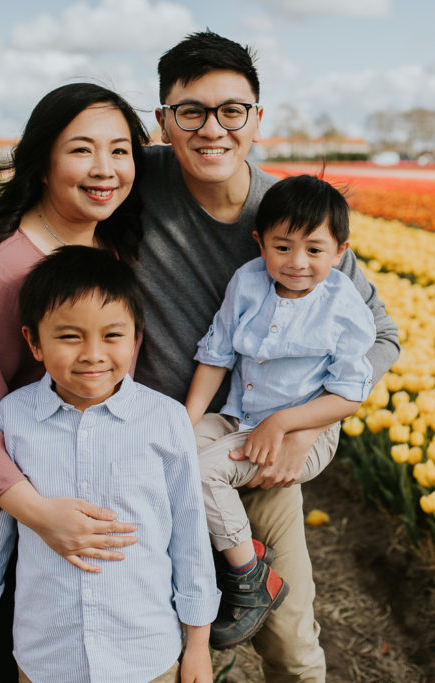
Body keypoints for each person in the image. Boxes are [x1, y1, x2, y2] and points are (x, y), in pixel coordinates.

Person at [132, 31, 400, 681]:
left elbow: (383, 337)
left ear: (256, 118)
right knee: (158, 646)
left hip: (268, 443)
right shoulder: (133, 185)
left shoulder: (293, 217)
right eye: (190, 111)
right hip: (165, 449)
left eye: (232, 110)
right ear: (163, 120)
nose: (212, 129)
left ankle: (252, 583)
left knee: (290, 647)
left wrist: (301, 423)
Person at [0, 83, 151, 680]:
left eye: (120, 150)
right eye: (81, 150)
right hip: (11, 514)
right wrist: (42, 515)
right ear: (43, 161)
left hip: (82, 508)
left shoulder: (108, 247)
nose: (105, 169)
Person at [0, 246, 219, 683]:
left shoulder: (165, 419)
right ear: (34, 342)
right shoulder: (12, 419)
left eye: (112, 336)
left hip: (146, 654)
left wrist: (198, 644)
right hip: (47, 657)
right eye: (70, 337)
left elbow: (190, 535)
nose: (92, 354)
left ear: (135, 339)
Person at [184, 175, 376, 649]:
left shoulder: (344, 307)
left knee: (201, 473)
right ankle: (229, 554)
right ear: (260, 242)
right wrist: (183, 424)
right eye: (283, 247)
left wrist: (285, 422)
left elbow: (350, 397)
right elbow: (217, 355)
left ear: (340, 252)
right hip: (238, 418)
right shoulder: (248, 282)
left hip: (302, 436)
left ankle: (251, 578)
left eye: (315, 250)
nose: (297, 262)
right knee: (173, 453)